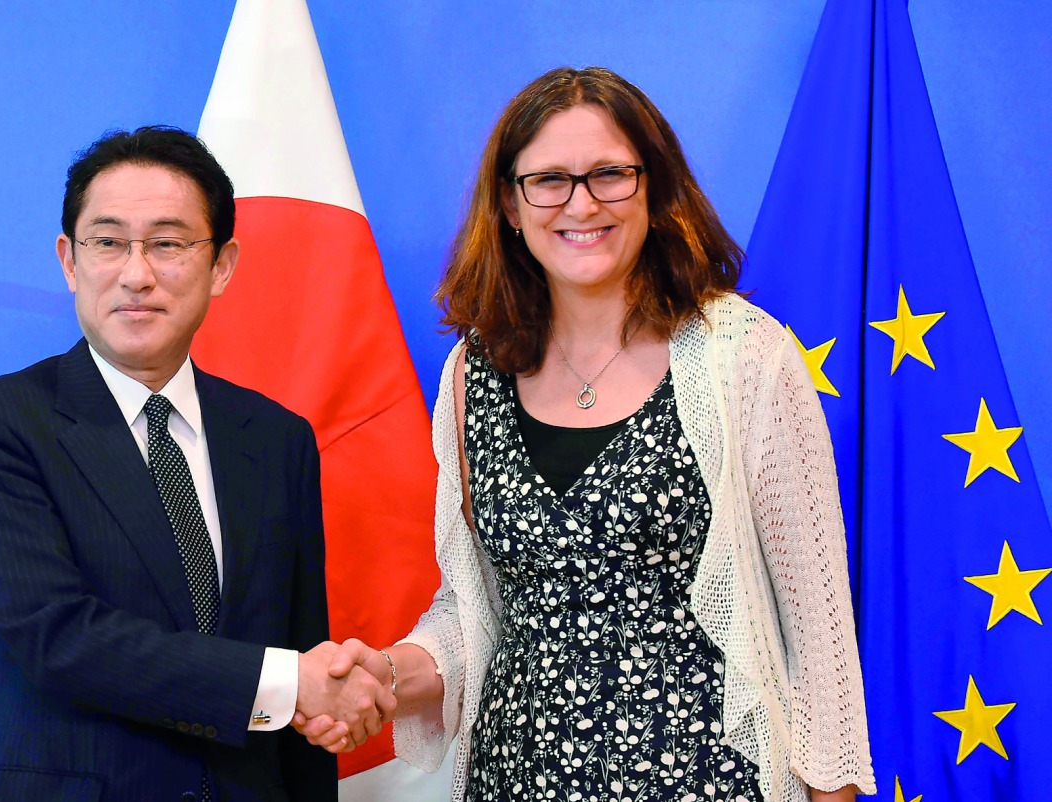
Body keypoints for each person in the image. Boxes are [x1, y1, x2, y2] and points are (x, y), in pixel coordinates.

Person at [295, 68, 876, 802]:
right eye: (549, 181)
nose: (582, 203)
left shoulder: (746, 356)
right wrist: (383, 676)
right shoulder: (471, 372)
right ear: (509, 202)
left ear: (654, 188)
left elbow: (821, 640)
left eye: (610, 175)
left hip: (708, 784)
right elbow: (478, 613)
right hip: (515, 780)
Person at [0, 126, 393, 802]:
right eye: (108, 242)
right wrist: (292, 683)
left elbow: (299, 650)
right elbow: (56, 638)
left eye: (169, 243)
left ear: (222, 265)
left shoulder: (276, 438)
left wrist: (313, 697)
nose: (136, 273)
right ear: (69, 260)